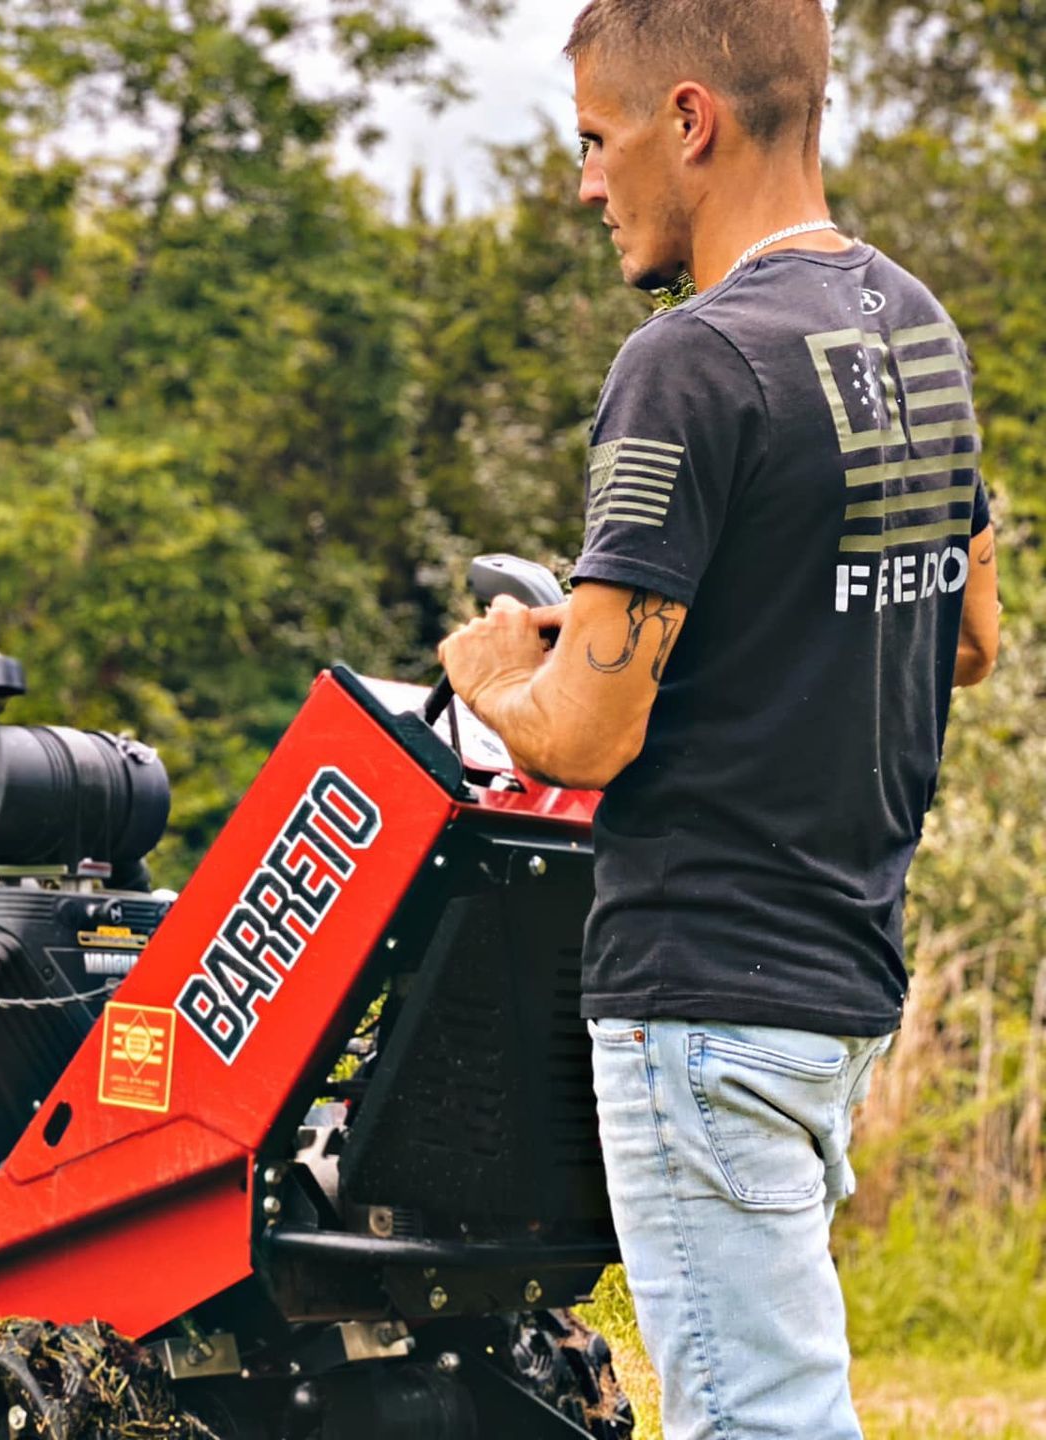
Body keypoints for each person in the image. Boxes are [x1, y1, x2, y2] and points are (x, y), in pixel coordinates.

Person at [433, 1, 1002, 1436]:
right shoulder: (917, 329)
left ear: (688, 121)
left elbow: (586, 734)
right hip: (842, 979)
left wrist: (495, 668)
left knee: (758, 1418)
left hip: (702, 990)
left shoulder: (687, 363)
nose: (584, 182)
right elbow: (968, 637)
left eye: (594, 139)